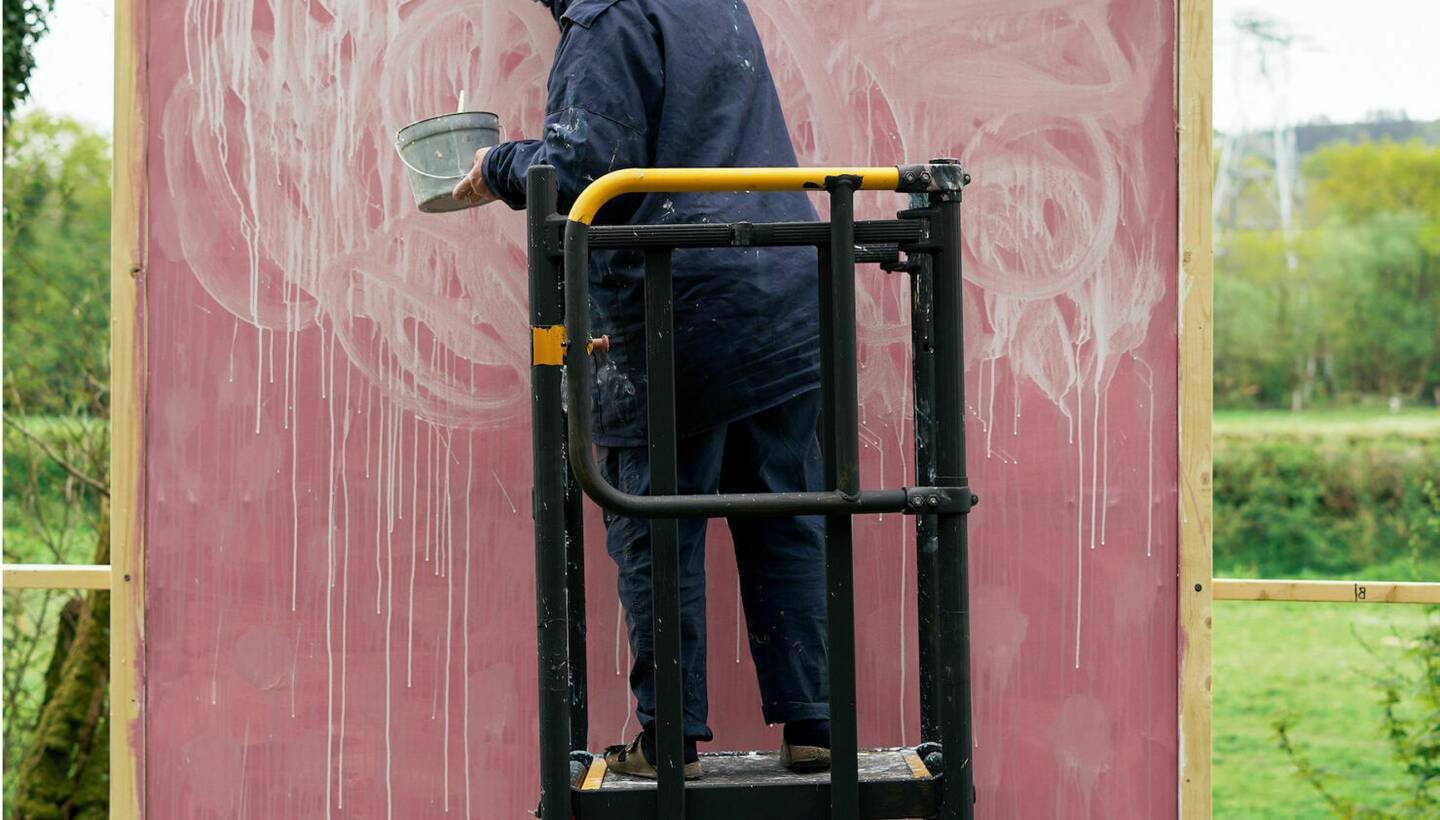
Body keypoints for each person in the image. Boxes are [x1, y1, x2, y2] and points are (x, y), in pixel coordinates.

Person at [454, 0, 831, 779]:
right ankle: (815, 723)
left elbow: (586, 169)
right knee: (787, 513)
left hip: (678, 310)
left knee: (655, 522)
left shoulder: (611, 19)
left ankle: (669, 741)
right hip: (780, 293)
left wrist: (496, 166)